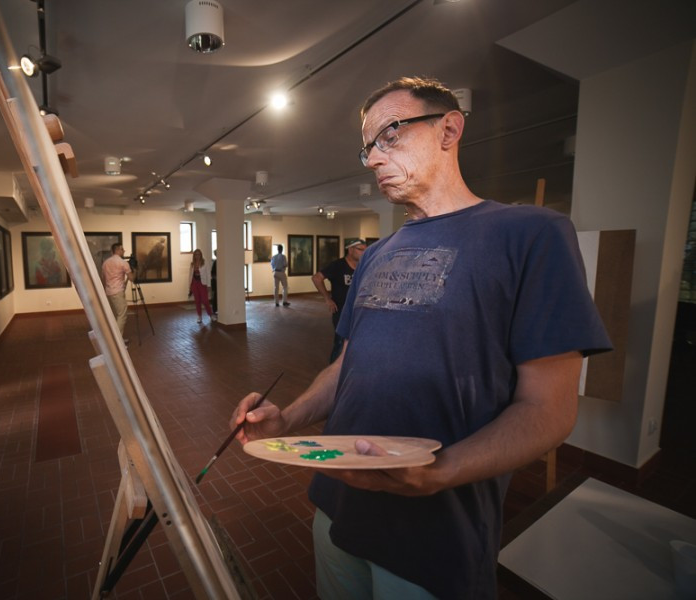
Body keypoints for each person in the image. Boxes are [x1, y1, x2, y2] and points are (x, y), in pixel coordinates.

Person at [232, 77, 612, 600]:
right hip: (339, 508)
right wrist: (288, 418)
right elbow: (348, 364)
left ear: (449, 128)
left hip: (436, 533)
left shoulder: (531, 235)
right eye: (366, 147)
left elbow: (549, 409)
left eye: (388, 134)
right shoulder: (378, 255)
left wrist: (444, 470)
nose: (371, 158)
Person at [311, 239, 367, 363]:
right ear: (351, 250)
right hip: (342, 311)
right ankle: (333, 374)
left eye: (365, 249)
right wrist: (327, 298)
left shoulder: (363, 266)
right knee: (340, 343)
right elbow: (316, 278)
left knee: (357, 343)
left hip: (359, 311)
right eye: (361, 249)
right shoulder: (338, 265)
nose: (364, 252)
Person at [101, 242, 134, 339]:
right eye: (122, 249)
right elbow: (131, 278)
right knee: (122, 315)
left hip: (108, 292)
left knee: (115, 316)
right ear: (118, 250)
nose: (124, 251)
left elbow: (103, 278)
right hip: (118, 292)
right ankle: (118, 341)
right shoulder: (123, 263)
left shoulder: (105, 263)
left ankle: (115, 339)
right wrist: (135, 271)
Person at [188, 248, 216, 324]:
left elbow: (208, 274)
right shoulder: (192, 264)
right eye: (196, 254)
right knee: (197, 301)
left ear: (201, 255)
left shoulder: (205, 263)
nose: (197, 256)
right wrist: (190, 285)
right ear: (194, 255)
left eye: (199, 254)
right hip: (194, 283)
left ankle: (211, 315)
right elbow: (190, 275)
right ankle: (199, 316)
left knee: (205, 300)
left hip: (202, 283)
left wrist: (209, 285)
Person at [210, 249, 218, 314]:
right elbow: (212, 273)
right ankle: (215, 310)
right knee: (215, 296)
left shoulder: (218, 262)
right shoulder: (215, 262)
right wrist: (216, 278)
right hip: (215, 283)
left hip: (218, 282)